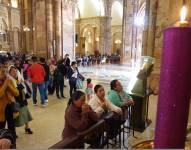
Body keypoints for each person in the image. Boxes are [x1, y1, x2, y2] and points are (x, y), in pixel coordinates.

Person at [9, 66, 33, 135]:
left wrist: (21, 83)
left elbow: (23, 89)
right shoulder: (9, 81)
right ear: (9, 73)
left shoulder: (19, 79)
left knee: (26, 113)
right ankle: (14, 131)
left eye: (16, 71)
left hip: (22, 99)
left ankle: (27, 127)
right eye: (13, 71)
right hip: (14, 101)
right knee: (15, 116)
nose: (15, 73)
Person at [0, 65, 19, 140]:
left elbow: (16, 93)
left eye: (6, 72)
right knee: (1, 129)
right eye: (2, 72)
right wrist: (5, 85)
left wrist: (9, 85)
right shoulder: (5, 82)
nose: (5, 74)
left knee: (12, 128)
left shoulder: (9, 81)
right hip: (1, 111)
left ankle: (13, 144)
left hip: (10, 108)